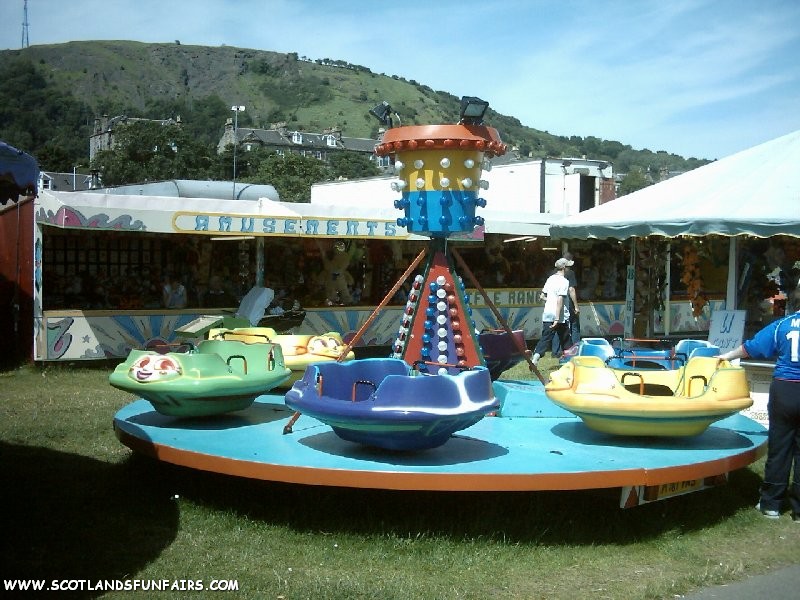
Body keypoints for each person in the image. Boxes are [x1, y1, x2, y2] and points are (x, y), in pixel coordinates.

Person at [718, 287, 800, 522]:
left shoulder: (782, 326)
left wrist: (725, 356)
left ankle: (771, 504)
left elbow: (751, 347)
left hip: (784, 390)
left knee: (780, 447)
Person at [531, 257, 572, 366]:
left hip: (548, 313)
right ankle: (570, 361)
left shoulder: (550, 279)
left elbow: (542, 296)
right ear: (564, 268)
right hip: (559, 316)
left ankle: (535, 357)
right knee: (566, 340)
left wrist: (550, 300)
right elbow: (560, 299)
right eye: (568, 267)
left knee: (545, 338)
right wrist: (557, 318)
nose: (569, 269)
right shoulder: (564, 282)